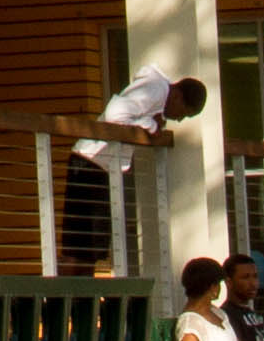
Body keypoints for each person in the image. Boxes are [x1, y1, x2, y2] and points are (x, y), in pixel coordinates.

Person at [77, 72, 206, 271]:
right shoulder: (155, 89)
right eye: (183, 113)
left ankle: (81, 299)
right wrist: (151, 124)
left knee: (93, 248)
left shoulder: (158, 94)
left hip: (101, 166)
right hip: (90, 162)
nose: (179, 120)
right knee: (81, 248)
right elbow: (115, 114)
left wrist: (149, 123)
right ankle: (70, 298)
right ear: (177, 96)